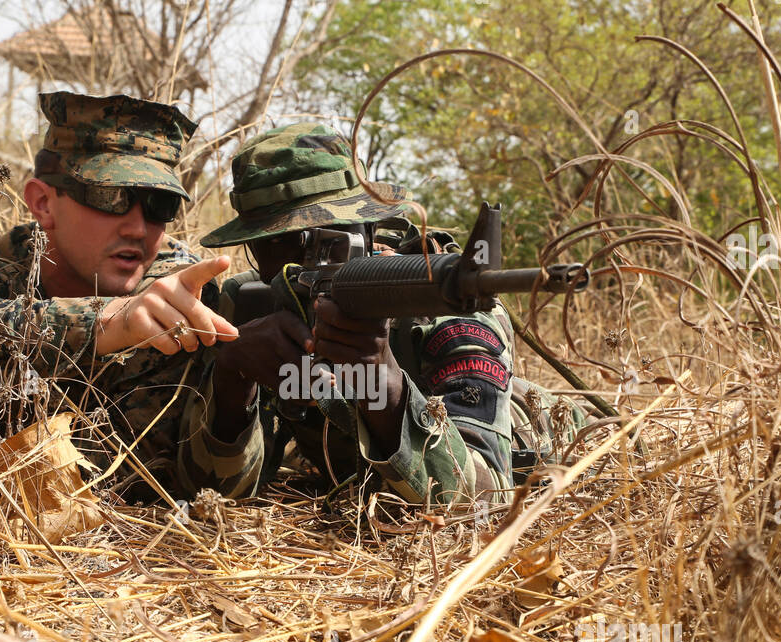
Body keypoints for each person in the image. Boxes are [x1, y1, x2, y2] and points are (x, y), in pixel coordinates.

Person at [178, 122, 584, 506]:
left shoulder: (444, 313)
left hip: (555, 443)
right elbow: (211, 495)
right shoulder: (249, 304)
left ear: (367, 229)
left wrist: (383, 383)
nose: (296, 267)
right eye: (271, 244)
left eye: (322, 240)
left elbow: (483, 496)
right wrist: (232, 382)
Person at [0, 92, 238, 500]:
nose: (137, 227)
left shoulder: (183, 293)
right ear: (43, 204)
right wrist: (98, 323)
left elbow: (150, 476)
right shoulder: (11, 261)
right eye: (109, 197)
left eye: (158, 204)